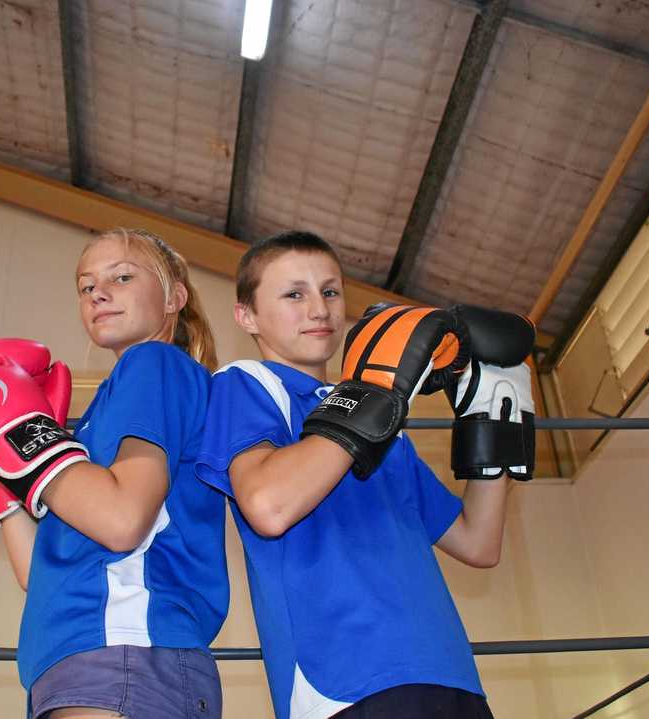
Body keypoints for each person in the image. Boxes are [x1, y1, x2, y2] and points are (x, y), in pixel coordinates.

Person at [195, 230, 536, 719]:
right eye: (294, 293)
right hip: (345, 677)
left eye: (330, 291)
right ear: (246, 314)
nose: (319, 309)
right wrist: (373, 395)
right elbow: (267, 504)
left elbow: (478, 542)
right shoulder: (249, 382)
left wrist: (493, 424)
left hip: (447, 669)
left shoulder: (386, 422)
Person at [0, 228, 229, 719]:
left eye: (121, 276)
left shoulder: (155, 364)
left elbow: (122, 519)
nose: (99, 293)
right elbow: (35, 572)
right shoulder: (100, 414)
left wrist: (19, 436)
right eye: (86, 286)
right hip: (79, 657)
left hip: (125, 648)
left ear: (174, 297)